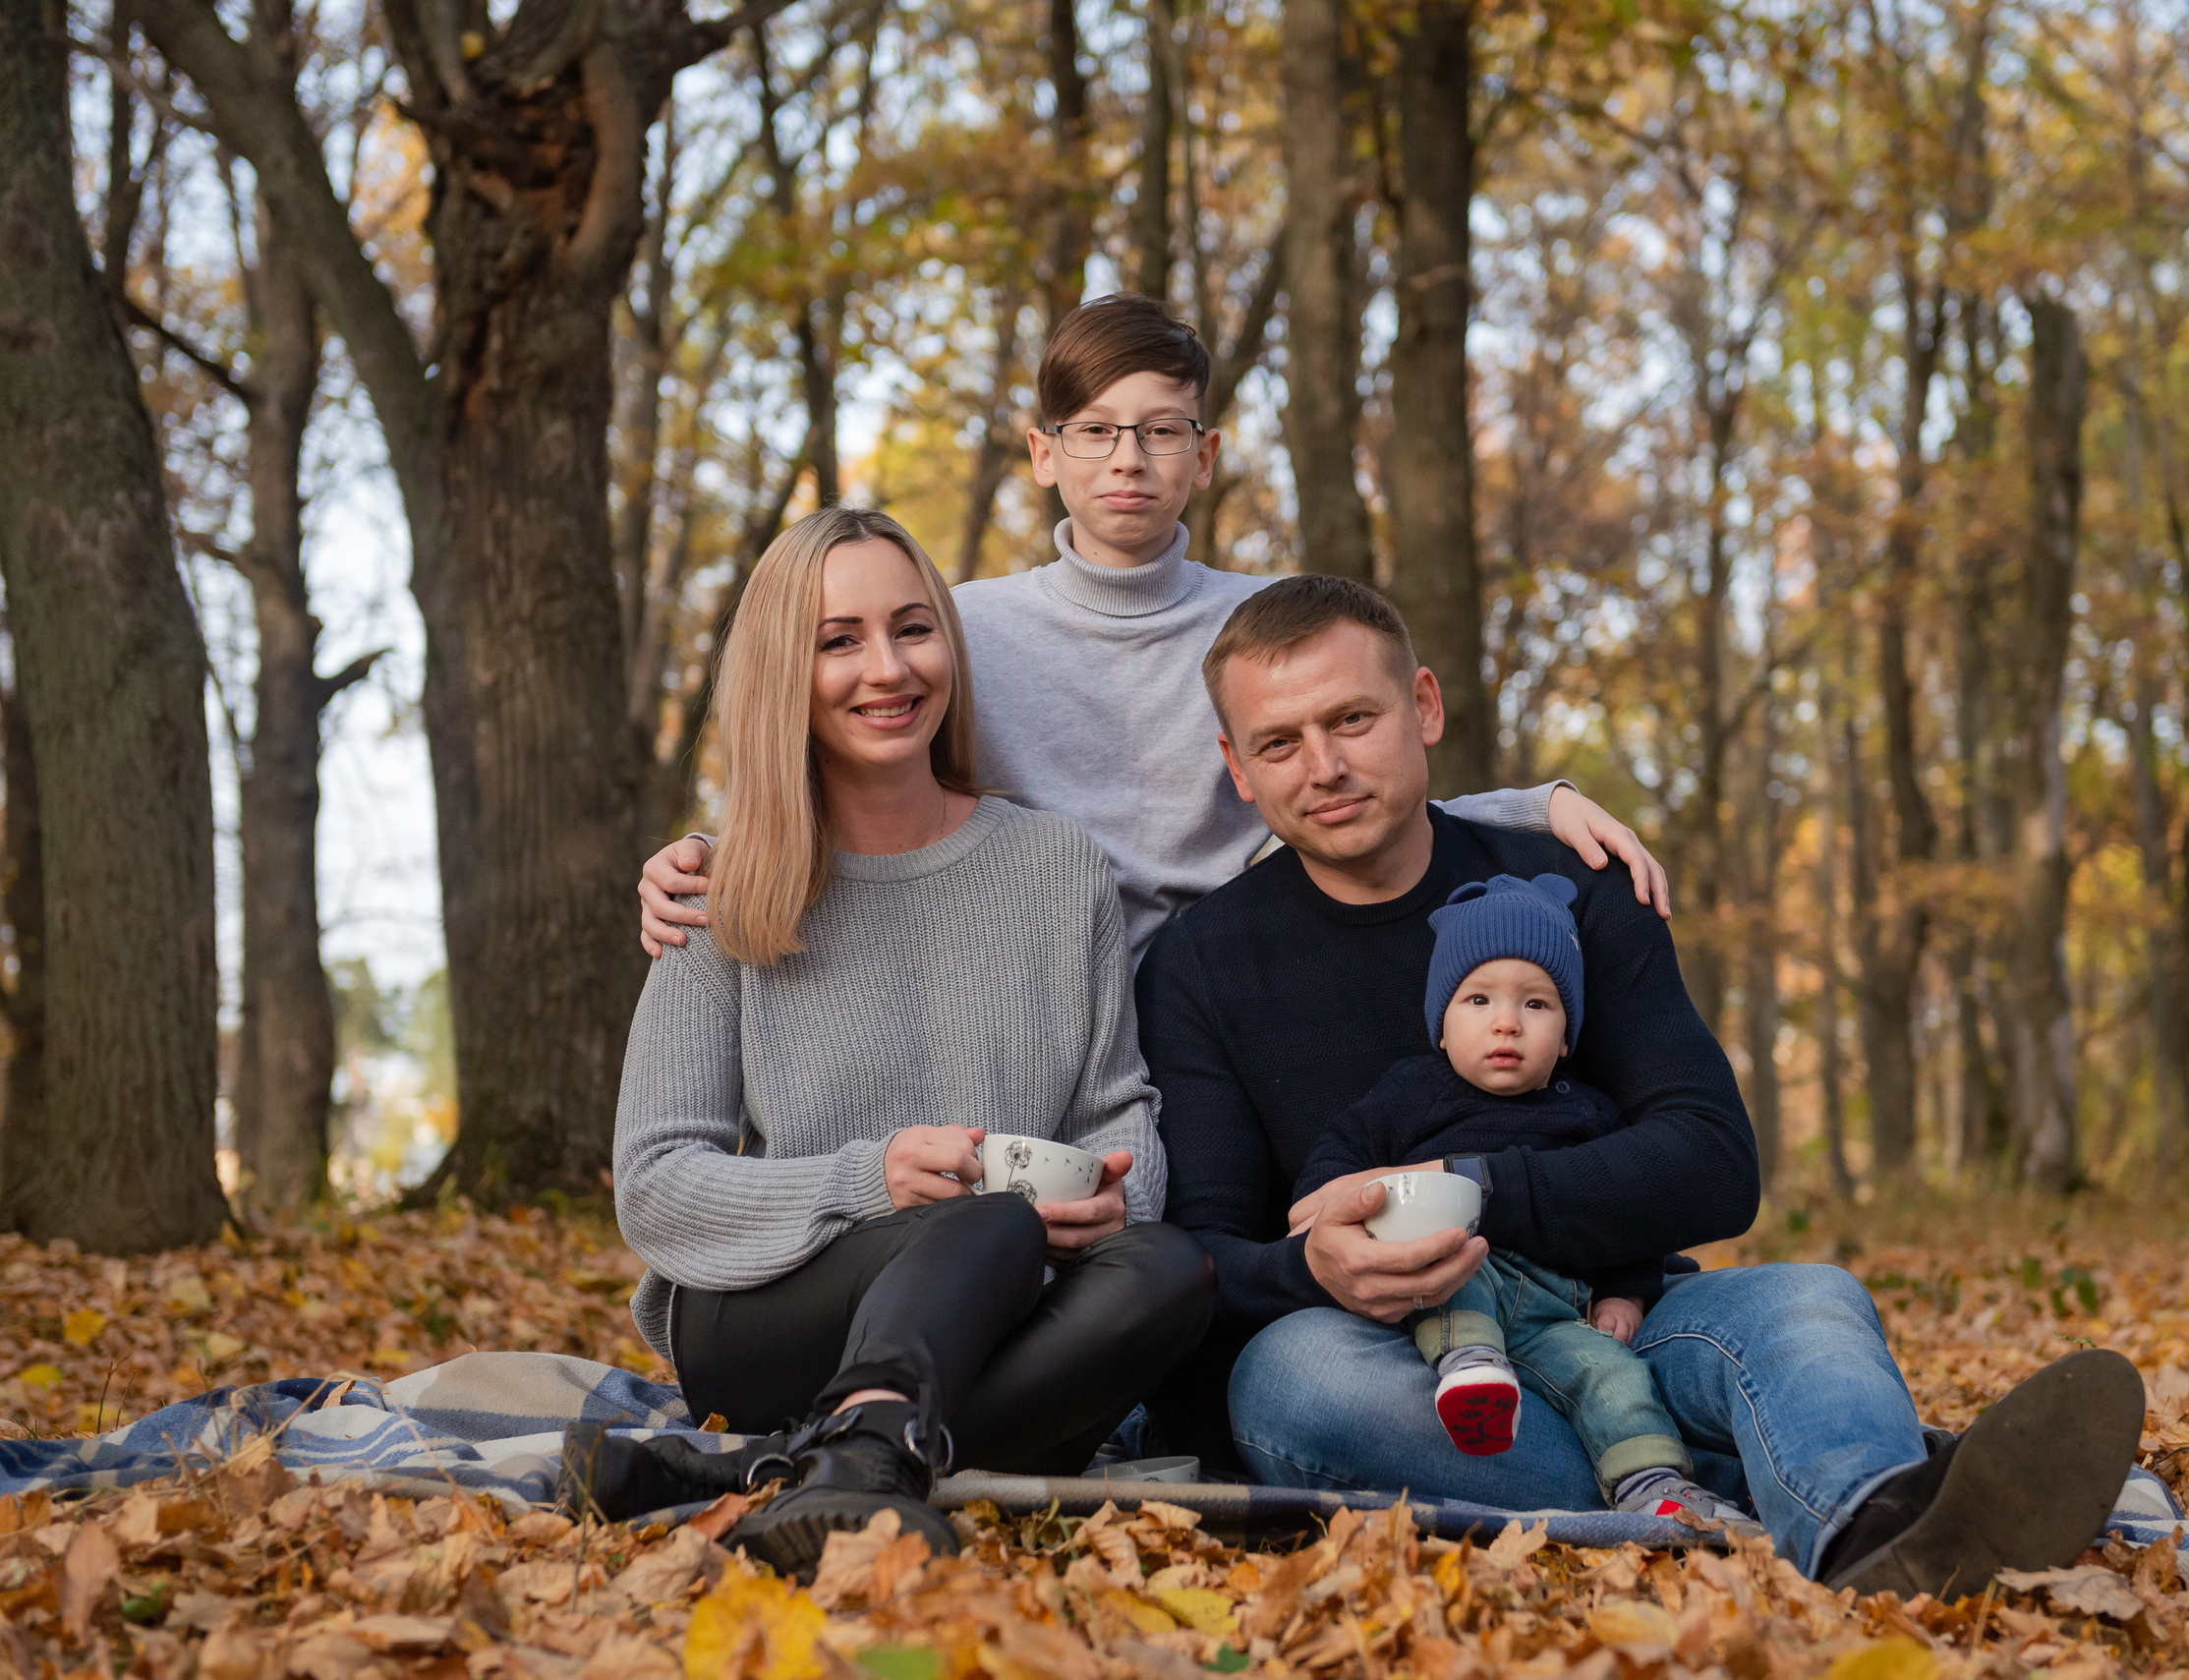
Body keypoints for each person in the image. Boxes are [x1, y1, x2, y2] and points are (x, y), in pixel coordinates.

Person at [1137, 573, 2145, 1599]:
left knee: (1809, 1296)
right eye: (1279, 741)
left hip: (1622, 1315)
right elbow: (1206, 1252)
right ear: (1237, 767)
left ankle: (1864, 1528)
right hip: (1402, 1357)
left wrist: (1473, 1182)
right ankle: (1767, 1480)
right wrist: (1317, 1268)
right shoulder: (1202, 962)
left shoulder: (1570, 888)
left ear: (1423, 706)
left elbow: (1713, 1158)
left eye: (1353, 717)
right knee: (1294, 1380)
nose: (1326, 764)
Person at [638, 293, 1670, 963]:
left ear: (1205, 454)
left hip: (1253, 976)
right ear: (1044, 453)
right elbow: (867, 777)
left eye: (1160, 429)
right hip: (1040, 992)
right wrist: (709, 849)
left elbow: (1362, 794)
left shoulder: (1266, 627)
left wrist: (1540, 804)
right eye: (1095, 430)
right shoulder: (961, 630)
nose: (1127, 457)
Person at [603, 506, 1214, 1577]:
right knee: (981, 1221)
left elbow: (1120, 1107)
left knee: (1168, 1269)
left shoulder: (1056, 866)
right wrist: (867, 1178)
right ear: (781, 672)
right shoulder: (717, 885)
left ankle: (828, 1464)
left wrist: (1119, 1194)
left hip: (1006, 1298)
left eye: (912, 628)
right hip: (768, 1313)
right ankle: (859, 1437)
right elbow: (654, 1185)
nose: (885, 667)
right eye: (837, 640)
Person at [1290, 870, 1745, 1527]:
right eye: (1477, 1001)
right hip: (1453, 1275)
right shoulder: (1411, 1092)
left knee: (1613, 1373)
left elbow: (1628, 1215)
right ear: (1440, 1027)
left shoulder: (1588, 1113)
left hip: (1557, 1308)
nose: (1506, 1022)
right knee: (1457, 1271)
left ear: (1565, 1036)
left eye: (1536, 1004)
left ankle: (1656, 1486)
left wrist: (1625, 1291)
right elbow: (1340, 1157)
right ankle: (1473, 1369)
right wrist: (1321, 1206)